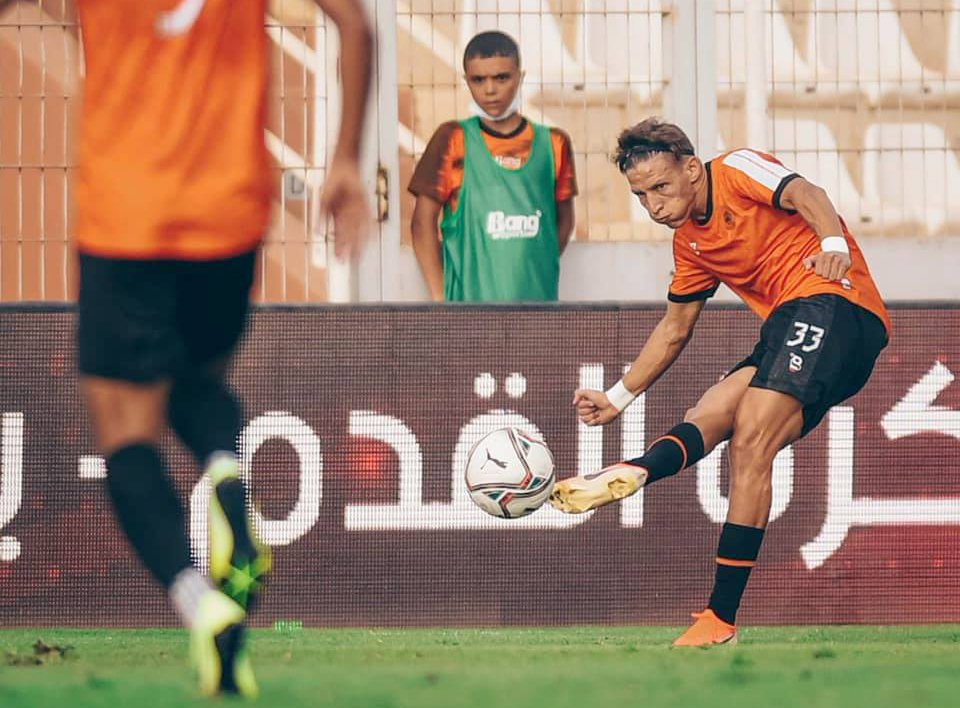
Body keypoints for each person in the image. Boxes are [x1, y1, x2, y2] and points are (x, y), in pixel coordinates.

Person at [0, 0, 371, 696]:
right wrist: (345, 157)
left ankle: (201, 604)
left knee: (126, 434)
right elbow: (353, 21)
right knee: (194, 382)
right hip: (228, 216)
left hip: (125, 219)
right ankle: (227, 471)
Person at [549, 118, 890, 646]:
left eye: (661, 187)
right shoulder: (690, 245)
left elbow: (806, 191)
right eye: (641, 196)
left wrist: (832, 242)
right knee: (709, 413)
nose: (654, 205)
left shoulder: (734, 169)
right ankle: (636, 472)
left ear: (690, 169)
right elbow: (674, 329)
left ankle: (720, 618)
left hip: (837, 304)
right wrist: (616, 398)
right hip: (788, 323)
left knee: (752, 436)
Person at [409, 30, 577, 302]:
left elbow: (564, 220)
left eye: (501, 77)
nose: (490, 89)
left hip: (537, 307)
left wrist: (533, 260)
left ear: (519, 77)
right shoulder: (452, 139)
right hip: (467, 311)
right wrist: (440, 297)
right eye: (478, 79)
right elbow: (421, 223)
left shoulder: (554, 144)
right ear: (467, 81)